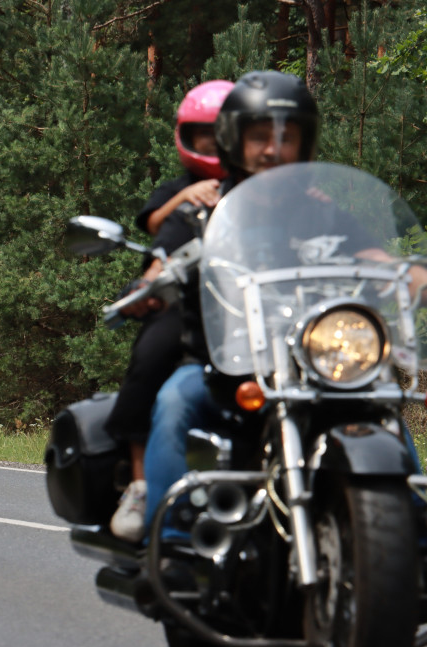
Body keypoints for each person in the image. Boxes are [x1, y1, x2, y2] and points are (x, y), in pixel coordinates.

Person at [138, 71, 327, 538]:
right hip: (222, 364)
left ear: (303, 145)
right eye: (260, 136)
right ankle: (170, 541)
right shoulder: (202, 207)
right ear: (234, 142)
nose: (271, 149)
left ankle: (410, 543)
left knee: (376, 413)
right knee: (173, 402)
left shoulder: (319, 207)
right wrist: (152, 282)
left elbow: (369, 254)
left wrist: (410, 274)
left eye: (287, 137)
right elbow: (157, 265)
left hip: (311, 363)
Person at [106, 80, 233, 542]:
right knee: (152, 358)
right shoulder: (183, 194)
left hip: (259, 313)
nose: (214, 144)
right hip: (185, 304)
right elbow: (160, 232)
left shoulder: (265, 187)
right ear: (187, 137)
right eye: (204, 135)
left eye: (223, 133)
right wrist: (147, 283)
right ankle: (141, 484)